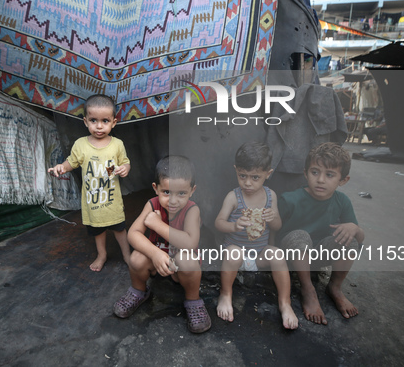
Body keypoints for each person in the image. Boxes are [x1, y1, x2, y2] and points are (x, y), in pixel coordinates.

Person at [113, 156, 211, 334]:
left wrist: (157, 224)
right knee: (136, 258)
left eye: (181, 193)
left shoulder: (192, 210)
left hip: (183, 263)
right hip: (157, 260)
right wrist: (155, 254)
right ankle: (139, 291)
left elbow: (190, 243)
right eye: (166, 192)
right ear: (155, 188)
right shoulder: (152, 205)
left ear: (192, 191)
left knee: (187, 260)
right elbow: (133, 235)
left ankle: (193, 301)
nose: (173, 200)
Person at [276, 142, 365, 325]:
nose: (321, 180)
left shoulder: (342, 201)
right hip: (290, 256)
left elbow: (360, 239)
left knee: (351, 240)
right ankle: (308, 289)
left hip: (318, 256)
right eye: (315, 172)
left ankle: (335, 287)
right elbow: (273, 229)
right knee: (300, 236)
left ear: (343, 180)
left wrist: (354, 228)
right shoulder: (290, 200)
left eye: (330, 175)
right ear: (305, 173)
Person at [214, 142, 298, 329]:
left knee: (277, 255)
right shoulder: (234, 197)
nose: (248, 182)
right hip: (235, 254)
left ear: (268, 174)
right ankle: (226, 293)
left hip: (259, 253)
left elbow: (277, 226)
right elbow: (219, 223)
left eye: (255, 177)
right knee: (233, 252)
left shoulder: (270, 196)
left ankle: (285, 303)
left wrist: (273, 217)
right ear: (236, 170)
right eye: (242, 176)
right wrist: (234, 226)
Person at [48, 95, 131, 272]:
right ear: (86, 122)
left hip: (112, 201)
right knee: (98, 231)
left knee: (120, 229)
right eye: (94, 120)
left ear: (113, 123)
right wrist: (61, 168)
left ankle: (126, 254)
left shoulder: (117, 144)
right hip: (93, 202)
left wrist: (125, 168)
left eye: (105, 121)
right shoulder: (81, 145)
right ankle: (102, 255)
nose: (99, 126)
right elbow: (72, 162)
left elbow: (125, 162)